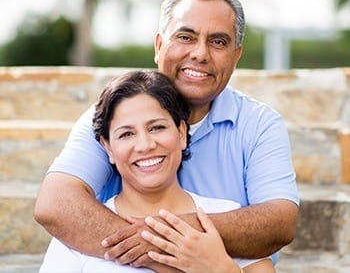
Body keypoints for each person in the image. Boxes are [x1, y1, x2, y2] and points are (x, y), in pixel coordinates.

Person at [34, 0, 299, 270]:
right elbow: (56, 203)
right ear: (159, 46)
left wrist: (167, 241)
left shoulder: (259, 125)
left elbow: (279, 222)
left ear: (236, 56)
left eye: (218, 42)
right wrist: (166, 254)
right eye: (185, 37)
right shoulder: (113, 113)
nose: (200, 54)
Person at [39, 70, 275, 272]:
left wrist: (221, 269)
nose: (145, 145)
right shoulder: (78, 232)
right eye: (127, 134)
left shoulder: (225, 216)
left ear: (181, 133)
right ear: (108, 148)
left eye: (157, 127)